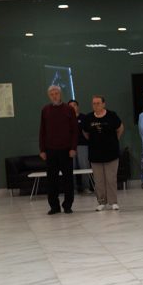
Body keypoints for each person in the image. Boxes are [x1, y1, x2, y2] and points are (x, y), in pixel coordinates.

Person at [39, 85, 78, 214]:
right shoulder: (45, 110)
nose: (54, 96)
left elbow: (75, 130)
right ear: (49, 96)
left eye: (56, 93)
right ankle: (54, 206)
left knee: (68, 180)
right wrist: (42, 149)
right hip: (50, 150)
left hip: (66, 150)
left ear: (60, 94)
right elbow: (42, 131)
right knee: (51, 180)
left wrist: (73, 148)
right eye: (52, 94)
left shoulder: (69, 109)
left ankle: (67, 205)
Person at [83, 95, 123, 211]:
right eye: (94, 103)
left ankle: (113, 202)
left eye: (98, 103)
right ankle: (101, 202)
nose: (96, 105)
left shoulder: (112, 115)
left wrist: (115, 140)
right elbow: (85, 132)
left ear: (104, 104)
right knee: (99, 180)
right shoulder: (88, 118)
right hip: (95, 154)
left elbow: (120, 128)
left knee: (111, 179)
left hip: (111, 153)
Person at [68, 99, 91, 192]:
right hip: (70, 147)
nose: (72, 107)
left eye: (74, 105)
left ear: (77, 107)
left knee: (84, 166)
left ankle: (86, 187)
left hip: (82, 145)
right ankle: (73, 188)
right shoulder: (66, 118)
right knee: (71, 167)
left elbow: (88, 131)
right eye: (70, 106)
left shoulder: (84, 117)